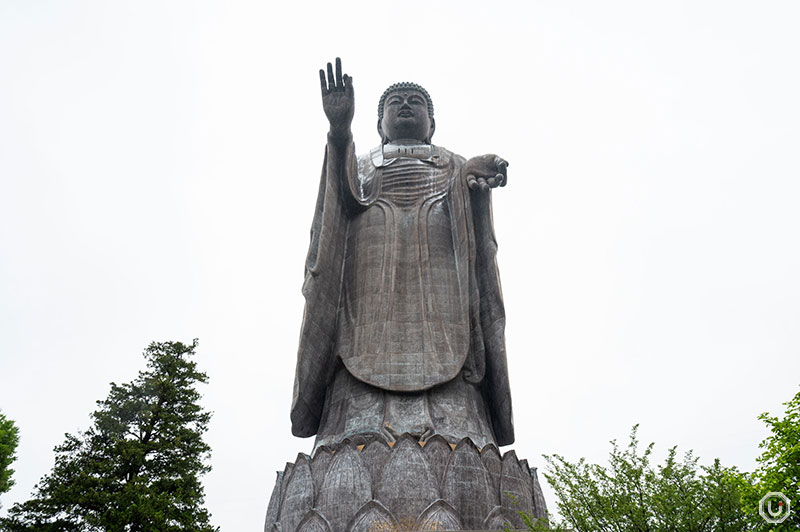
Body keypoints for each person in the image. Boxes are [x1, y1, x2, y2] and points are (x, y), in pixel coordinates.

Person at [290, 58, 514, 451]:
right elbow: (336, 209)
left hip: (441, 281)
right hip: (369, 279)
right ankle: (357, 422)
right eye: (395, 102)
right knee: (359, 339)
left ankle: (459, 426)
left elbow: (475, 233)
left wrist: (475, 185)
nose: (406, 106)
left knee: (452, 340)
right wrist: (339, 129)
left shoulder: (454, 166)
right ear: (379, 124)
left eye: (416, 102)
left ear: (432, 124)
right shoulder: (359, 166)